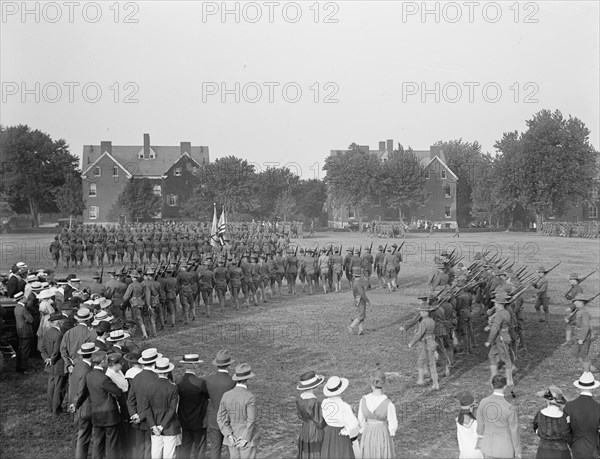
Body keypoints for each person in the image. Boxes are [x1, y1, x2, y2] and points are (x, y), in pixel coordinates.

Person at [72, 351, 124, 459]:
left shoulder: (89, 376)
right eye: (106, 359)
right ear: (103, 362)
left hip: (96, 413)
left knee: (98, 442)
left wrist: (76, 404)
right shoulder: (104, 378)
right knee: (112, 443)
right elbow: (118, 392)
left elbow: (83, 393)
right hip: (109, 415)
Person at [217, 363, 260, 459]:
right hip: (247, 440)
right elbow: (251, 420)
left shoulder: (226, 395)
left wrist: (228, 435)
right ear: (247, 379)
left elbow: (220, 418)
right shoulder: (250, 397)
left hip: (232, 439)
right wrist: (245, 438)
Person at [476, 375, 522, 459]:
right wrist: (517, 451)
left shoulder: (483, 402)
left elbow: (480, 427)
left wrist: (480, 444)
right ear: (505, 387)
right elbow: (514, 431)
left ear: (491, 385)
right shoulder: (510, 407)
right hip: (505, 449)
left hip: (487, 447)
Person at [128, 348, 162, 459]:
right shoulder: (156, 379)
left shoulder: (136, 377)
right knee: (149, 450)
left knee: (139, 449)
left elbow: (130, 400)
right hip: (151, 420)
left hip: (138, 420)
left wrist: (134, 415)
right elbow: (154, 402)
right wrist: (141, 416)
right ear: (155, 362)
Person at [146, 357, 182, 459]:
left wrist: (153, 426)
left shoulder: (150, 386)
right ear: (168, 372)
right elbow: (172, 409)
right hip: (169, 426)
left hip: (154, 425)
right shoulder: (172, 387)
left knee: (155, 453)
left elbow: (147, 408)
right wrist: (162, 426)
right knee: (169, 454)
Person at [357, 370, 397, 459]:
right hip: (382, 433)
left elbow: (360, 420)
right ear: (383, 385)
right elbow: (392, 423)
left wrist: (363, 429)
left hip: (368, 433)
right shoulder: (388, 403)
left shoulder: (364, 400)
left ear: (371, 385)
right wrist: (391, 432)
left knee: (368, 453)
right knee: (381, 452)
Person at [69, 342, 99, 459]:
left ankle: (75, 455)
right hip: (84, 406)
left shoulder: (78, 366)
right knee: (84, 436)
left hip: (77, 405)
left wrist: (72, 403)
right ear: (92, 355)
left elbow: (73, 385)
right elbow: (81, 389)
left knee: (77, 434)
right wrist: (76, 403)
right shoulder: (87, 370)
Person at [205, 350, 236, 459]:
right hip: (229, 421)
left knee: (215, 449)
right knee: (230, 449)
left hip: (214, 419)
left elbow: (206, 396)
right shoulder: (233, 381)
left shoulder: (209, 380)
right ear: (229, 364)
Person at [177, 354, 209, 459]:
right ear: (195, 365)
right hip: (199, 421)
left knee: (185, 447)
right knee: (199, 448)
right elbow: (207, 396)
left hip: (184, 421)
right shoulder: (200, 383)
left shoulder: (178, 383)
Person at [563, 372, 600, 459]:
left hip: (576, 446)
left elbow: (565, 429)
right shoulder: (598, 407)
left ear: (579, 387)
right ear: (593, 387)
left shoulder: (569, 406)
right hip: (593, 448)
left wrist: (572, 442)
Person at [321, 376, 359, 459]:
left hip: (328, 433)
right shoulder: (344, 406)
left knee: (329, 454)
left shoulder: (324, 402)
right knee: (341, 454)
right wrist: (347, 430)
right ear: (341, 390)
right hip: (340, 434)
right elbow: (354, 423)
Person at [407, 296, 439, 390]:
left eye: (421, 311)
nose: (420, 313)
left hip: (426, 343)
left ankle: (424, 381)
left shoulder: (424, 322)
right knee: (432, 364)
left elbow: (419, 335)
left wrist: (411, 343)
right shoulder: (431, 321)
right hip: (431, 342)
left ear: (425, 312)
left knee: (423, 361)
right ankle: (435, 383)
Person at [484, 291, 514, 387]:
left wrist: (489, 341)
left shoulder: (500, 314)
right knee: (491, 355)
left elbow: (495, 328)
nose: (494, 304)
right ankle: (493, 377)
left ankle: (509, 380)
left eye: (495, 303)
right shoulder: (504, 312)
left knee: (506, 358)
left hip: (501, 339)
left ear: (498, 304)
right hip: (500, 338)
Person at [533, 386, 571, 459]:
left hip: (543, 452)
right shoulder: (565, 416)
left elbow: (536, 429)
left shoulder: (540, 414)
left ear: (547, 400)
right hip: (562, 453)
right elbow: (568, 434)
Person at [40, 311, 66, 415]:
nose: (64, 322)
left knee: (51, 387)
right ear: (59, 322)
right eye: (62, 320)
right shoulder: (59, 334)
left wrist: (46, 358)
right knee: (59, 388)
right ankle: (56, 410)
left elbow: (41, 347)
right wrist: (52, 359)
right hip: (58, 364)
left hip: (50, 364)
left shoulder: (48, 332)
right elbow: (56, 351)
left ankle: (51, 408)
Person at [296, 370, 326, 459]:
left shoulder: (299, 399)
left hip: (304, 429)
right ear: (314, 386)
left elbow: (300, 415)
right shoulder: (315, 402)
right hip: (315, 431)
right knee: (316, 452)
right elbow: (319, 422)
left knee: (305, 452)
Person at [569, 294, 595, 372]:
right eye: (575, 301)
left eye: (577, 301)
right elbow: (578, 323)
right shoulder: (579, 311)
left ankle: (587, 372)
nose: (575, 303)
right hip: (578, 335)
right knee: (575, 352)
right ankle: (587, 367)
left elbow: (585, 326)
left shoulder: (584, 312)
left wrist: (582, 338)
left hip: (584, 336)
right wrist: (571, 322)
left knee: (583, 354)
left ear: (582, 302)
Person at [455, 392, 483, 459]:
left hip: (464, 454)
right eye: (474, 404)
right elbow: (481, 440)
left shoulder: (457, 420)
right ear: (471, 407)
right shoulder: (476, 422)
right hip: (476, 454)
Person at [14, 291, 34, 374]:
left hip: (20, 330)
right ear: (21, 299)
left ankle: (19, 367)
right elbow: (30, 319)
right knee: (25, 350)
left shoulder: (17, 307)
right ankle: (23, 368)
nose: (26, 299)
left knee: (21, 349)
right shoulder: (23, 309)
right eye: (25, 298)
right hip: (26, 331)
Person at [348, 271, 369, 336]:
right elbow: (362, 293)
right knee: (361, 315)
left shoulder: (354, 283)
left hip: (357, 299)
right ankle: (351, 326)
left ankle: (361, 330)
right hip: (361, 300)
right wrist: (367, 300)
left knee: (362, 315)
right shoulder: (358, 283)